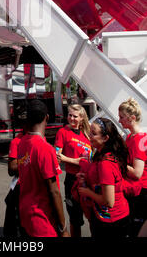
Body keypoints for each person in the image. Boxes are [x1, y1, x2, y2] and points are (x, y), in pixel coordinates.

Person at [17, 99, 69, 237]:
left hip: (26, 212)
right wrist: (63, 228)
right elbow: (54, 191)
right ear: (47, 117)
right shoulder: (45, 149)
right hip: (42, 220)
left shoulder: (22, 142)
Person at [78, 118, 130, 238]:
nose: (89, 135)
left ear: (105, 138)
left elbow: (108, 202)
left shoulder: (105, 163)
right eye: (90, 131)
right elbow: (102, 179)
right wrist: (86, 178)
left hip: (112, 221)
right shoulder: (101, 154)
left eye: (94, 133)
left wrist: (87, 192)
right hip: (106, 217)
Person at [54, 103, 92, 237]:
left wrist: (70, 159)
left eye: (75, 116)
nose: (71, 118)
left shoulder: (87, 134)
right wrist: (73, 160)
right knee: (75, 219)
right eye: (69, 115)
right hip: (72, 180)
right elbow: (57, 156)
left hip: (88, 180)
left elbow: (90, 158)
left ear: (82, 118)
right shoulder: (62, 132)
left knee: (93, 217)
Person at [118, 98, 147, 236]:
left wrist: (118, 161)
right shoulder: (130, 137)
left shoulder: (139, 139)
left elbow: (137, 173)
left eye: (122, 117)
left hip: (141, 193)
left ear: (132, 118)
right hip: (135, 191)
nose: (119, 120)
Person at [3, 108, 27, 237]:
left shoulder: (40, 139)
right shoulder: (16, 141)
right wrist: (30, 162)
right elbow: (11, 169)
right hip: (20, 188)